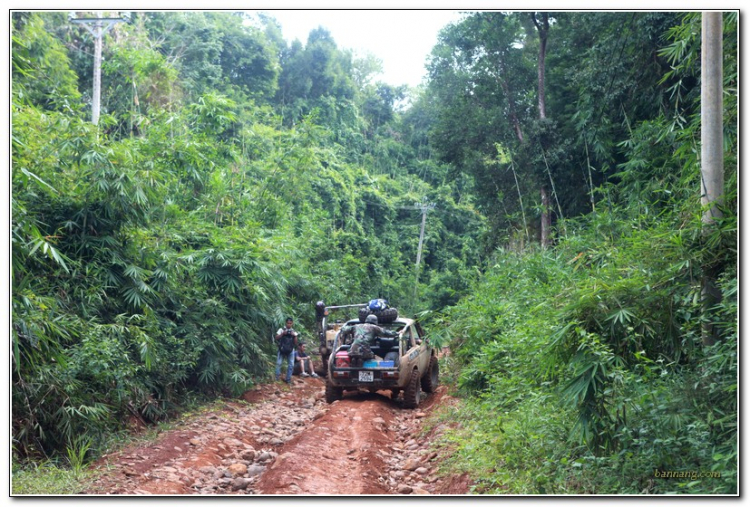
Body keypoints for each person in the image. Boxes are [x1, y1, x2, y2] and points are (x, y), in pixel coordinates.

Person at [275, 318, 298, 383]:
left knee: (291, 365)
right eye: (288, 323)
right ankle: (277, 378)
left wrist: (294, 336)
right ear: (286, 323)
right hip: (282, 349)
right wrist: (282, 334)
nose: (289, 324)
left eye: (290, 323)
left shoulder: (294, 331)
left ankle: (288, 379)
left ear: (292, 323)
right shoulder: (281, 329)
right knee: (279, 363)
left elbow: (296, 343)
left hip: (290, 350)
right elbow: (276, 337)